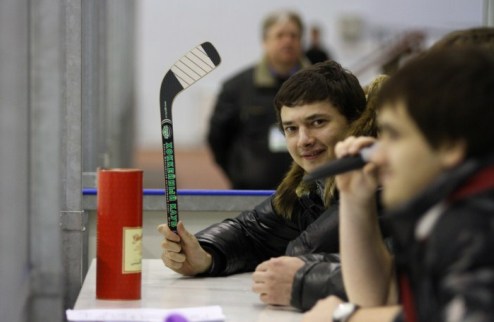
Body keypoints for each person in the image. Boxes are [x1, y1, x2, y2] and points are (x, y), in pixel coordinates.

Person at [159, 60, 373, 311]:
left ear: (355, 122)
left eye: (318, 122)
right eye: (291, 128)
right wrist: (205, 255)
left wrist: (300, 282)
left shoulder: (382, 184)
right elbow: (252, 231)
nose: (303, 140)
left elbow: (393, 273)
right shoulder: (308, 189)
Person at [303, 47, 494, 322]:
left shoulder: (476, 224)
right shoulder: (443, 213)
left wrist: (344, 319)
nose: (378, 153)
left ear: (450, 145)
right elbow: (376, 299)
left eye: (394, 135)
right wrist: (355, 199)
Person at [207, 10, 311, 190]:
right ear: (265, 42)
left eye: (293, 36)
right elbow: (217, 138)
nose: (287, 41)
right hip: (251, 193)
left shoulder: (320, 87)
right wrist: (239, 173)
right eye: (280, 35)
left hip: (308, 193)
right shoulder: (236, 88)